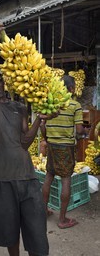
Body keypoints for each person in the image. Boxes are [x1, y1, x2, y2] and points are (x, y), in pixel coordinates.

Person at [0, 14, 58, 256]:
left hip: (28, 179)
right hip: (0, 181)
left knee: (36, 233)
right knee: (9, 234)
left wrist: (38, 121)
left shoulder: (20, 107)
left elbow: (24, 142)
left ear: (5, 83)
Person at [40, 75, 90, 229]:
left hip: (52, 146)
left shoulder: (51, 104)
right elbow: (79, 130)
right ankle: (62, 219)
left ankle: (43, 212)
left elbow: (42, 125)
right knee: (66, 179)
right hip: (66, 148)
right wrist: (85, 132)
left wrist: (46, 138)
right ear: (72, 89)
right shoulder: (74, 105)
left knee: (49, 176)